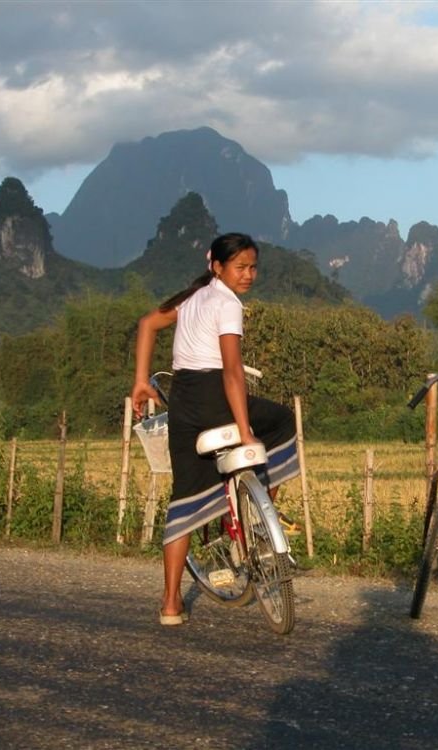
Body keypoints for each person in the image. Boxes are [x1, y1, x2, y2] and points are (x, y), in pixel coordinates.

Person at [130, 232, 300, 626]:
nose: (248, 274)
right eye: (240, 267)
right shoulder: (227, 304)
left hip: (183, 402)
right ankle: (256, 515)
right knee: (281, 422)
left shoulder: (191, 297)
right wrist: (244, 429)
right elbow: (232, 372)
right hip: (214, 397)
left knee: (183, 499)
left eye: (253, 267)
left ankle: (170, 604)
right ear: (218, 266)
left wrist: (140, 381)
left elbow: (147, 324)